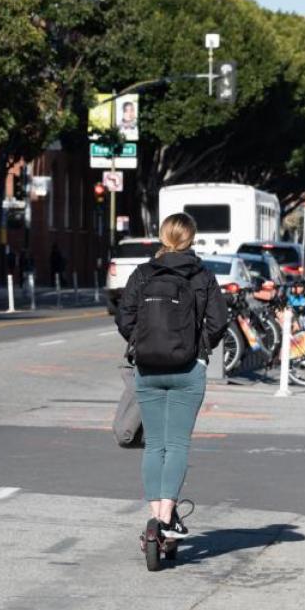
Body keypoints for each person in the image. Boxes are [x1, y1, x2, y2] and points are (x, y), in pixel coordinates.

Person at [115, 213, 227, 540]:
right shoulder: (202, 275)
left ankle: (153, 519)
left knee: (155, 445)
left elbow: (125, 317)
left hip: (148, 369)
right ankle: (166, 517)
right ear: (191, 239)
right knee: (177, 444)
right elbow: (218, 321)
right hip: (189, 370)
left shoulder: (143, 273)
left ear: (163, 236)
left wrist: (140, 343)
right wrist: (200, 349)